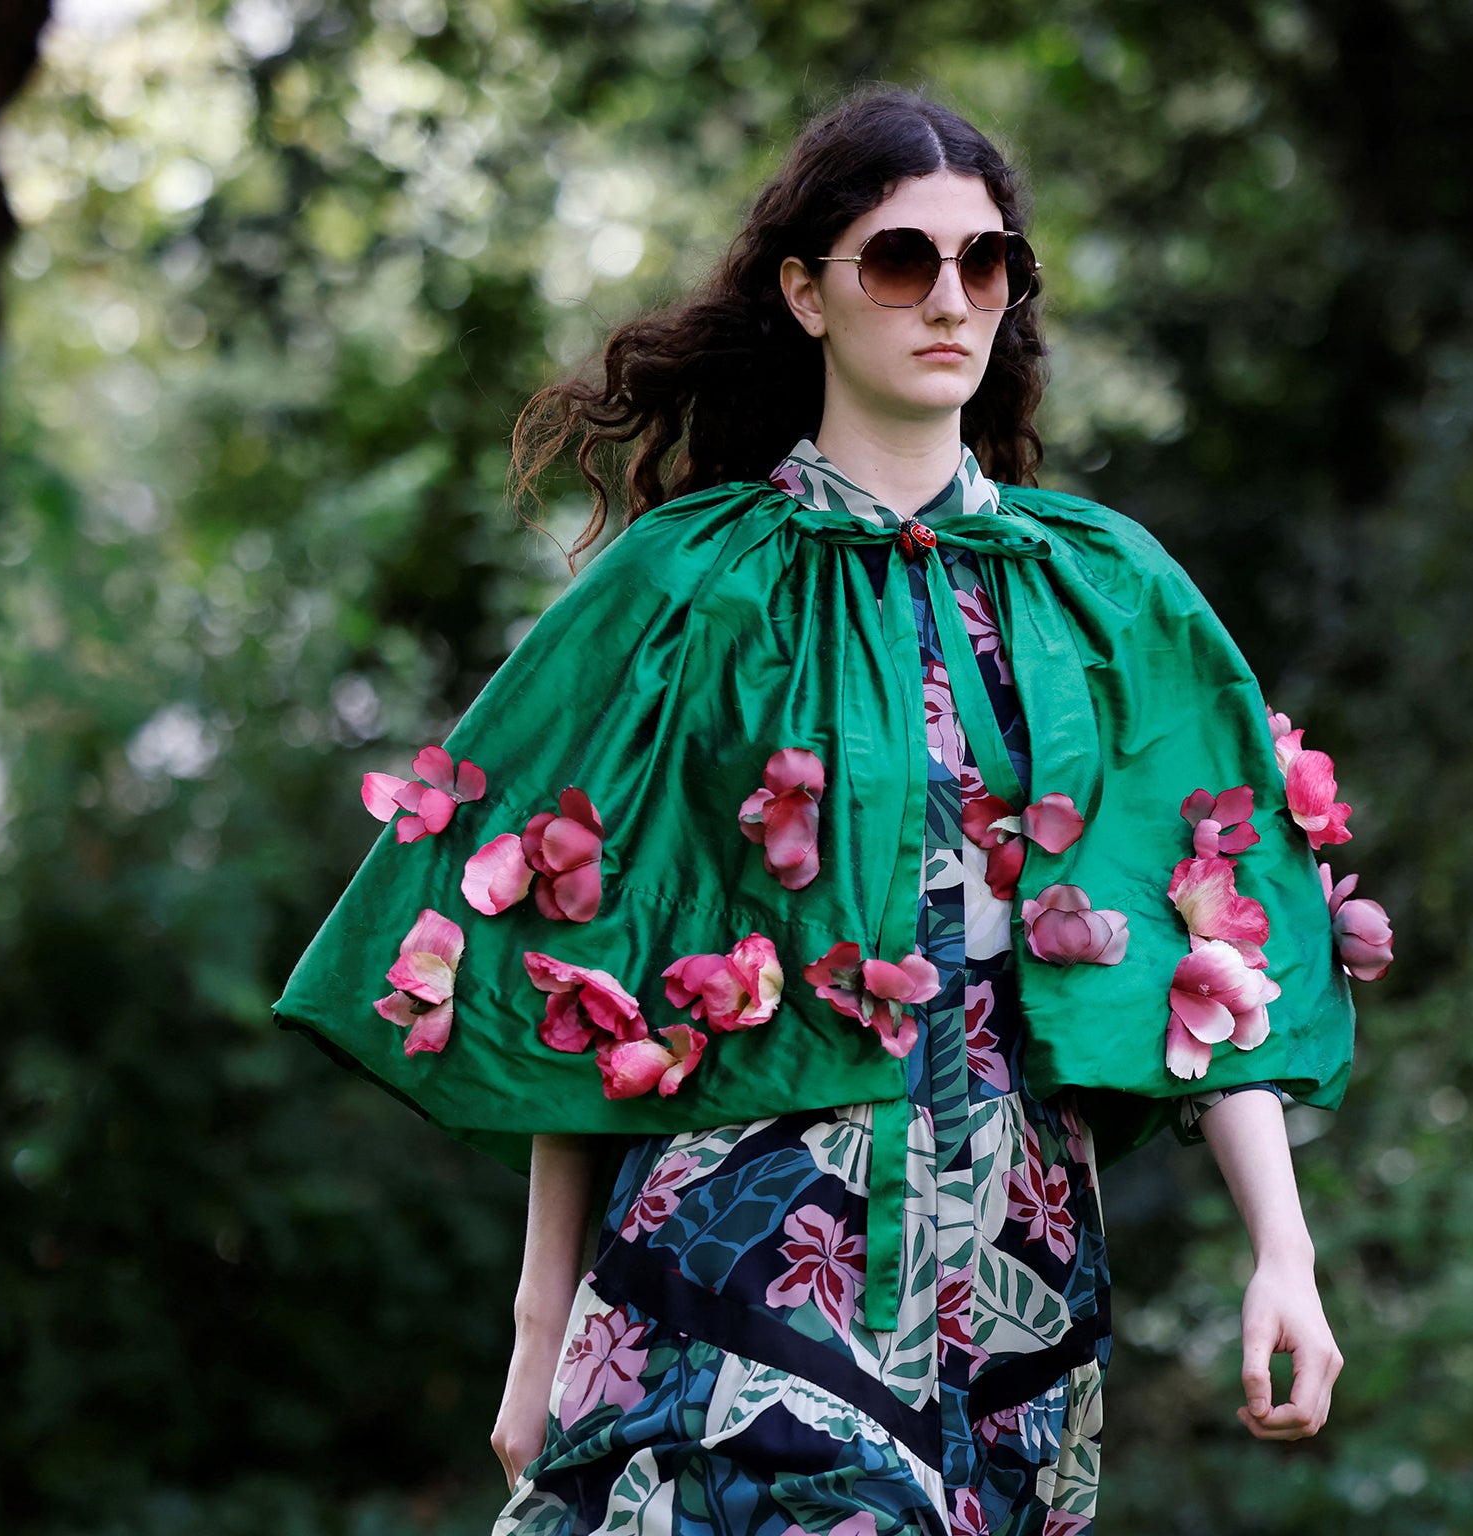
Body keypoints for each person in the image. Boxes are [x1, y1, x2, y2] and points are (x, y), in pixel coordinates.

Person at [270, 85, 1390, 1536]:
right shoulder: (691, 587)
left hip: (1022, 1267)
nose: (949, 300)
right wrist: (540, 1325)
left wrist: (1283, 1254)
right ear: (805, 291)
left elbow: (1210, 935)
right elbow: (592, 965)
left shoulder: (1102, 594)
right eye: (899, 260)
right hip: (749, 1239)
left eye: (984, 264)